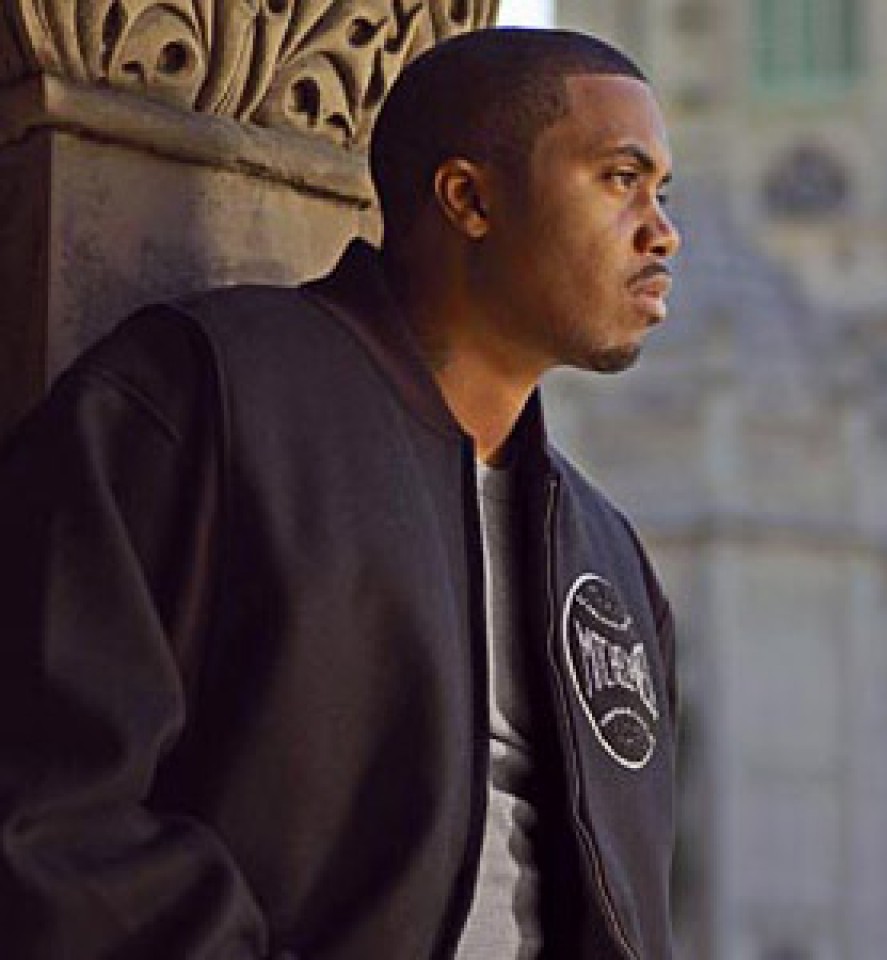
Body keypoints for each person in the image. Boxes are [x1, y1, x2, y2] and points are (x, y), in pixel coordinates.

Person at [0, 26, 681, 960]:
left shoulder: (606, 557)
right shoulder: (202, 396)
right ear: (470, 199)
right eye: (620, 179)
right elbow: (53, 812)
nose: (662, 230)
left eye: (662, 191)